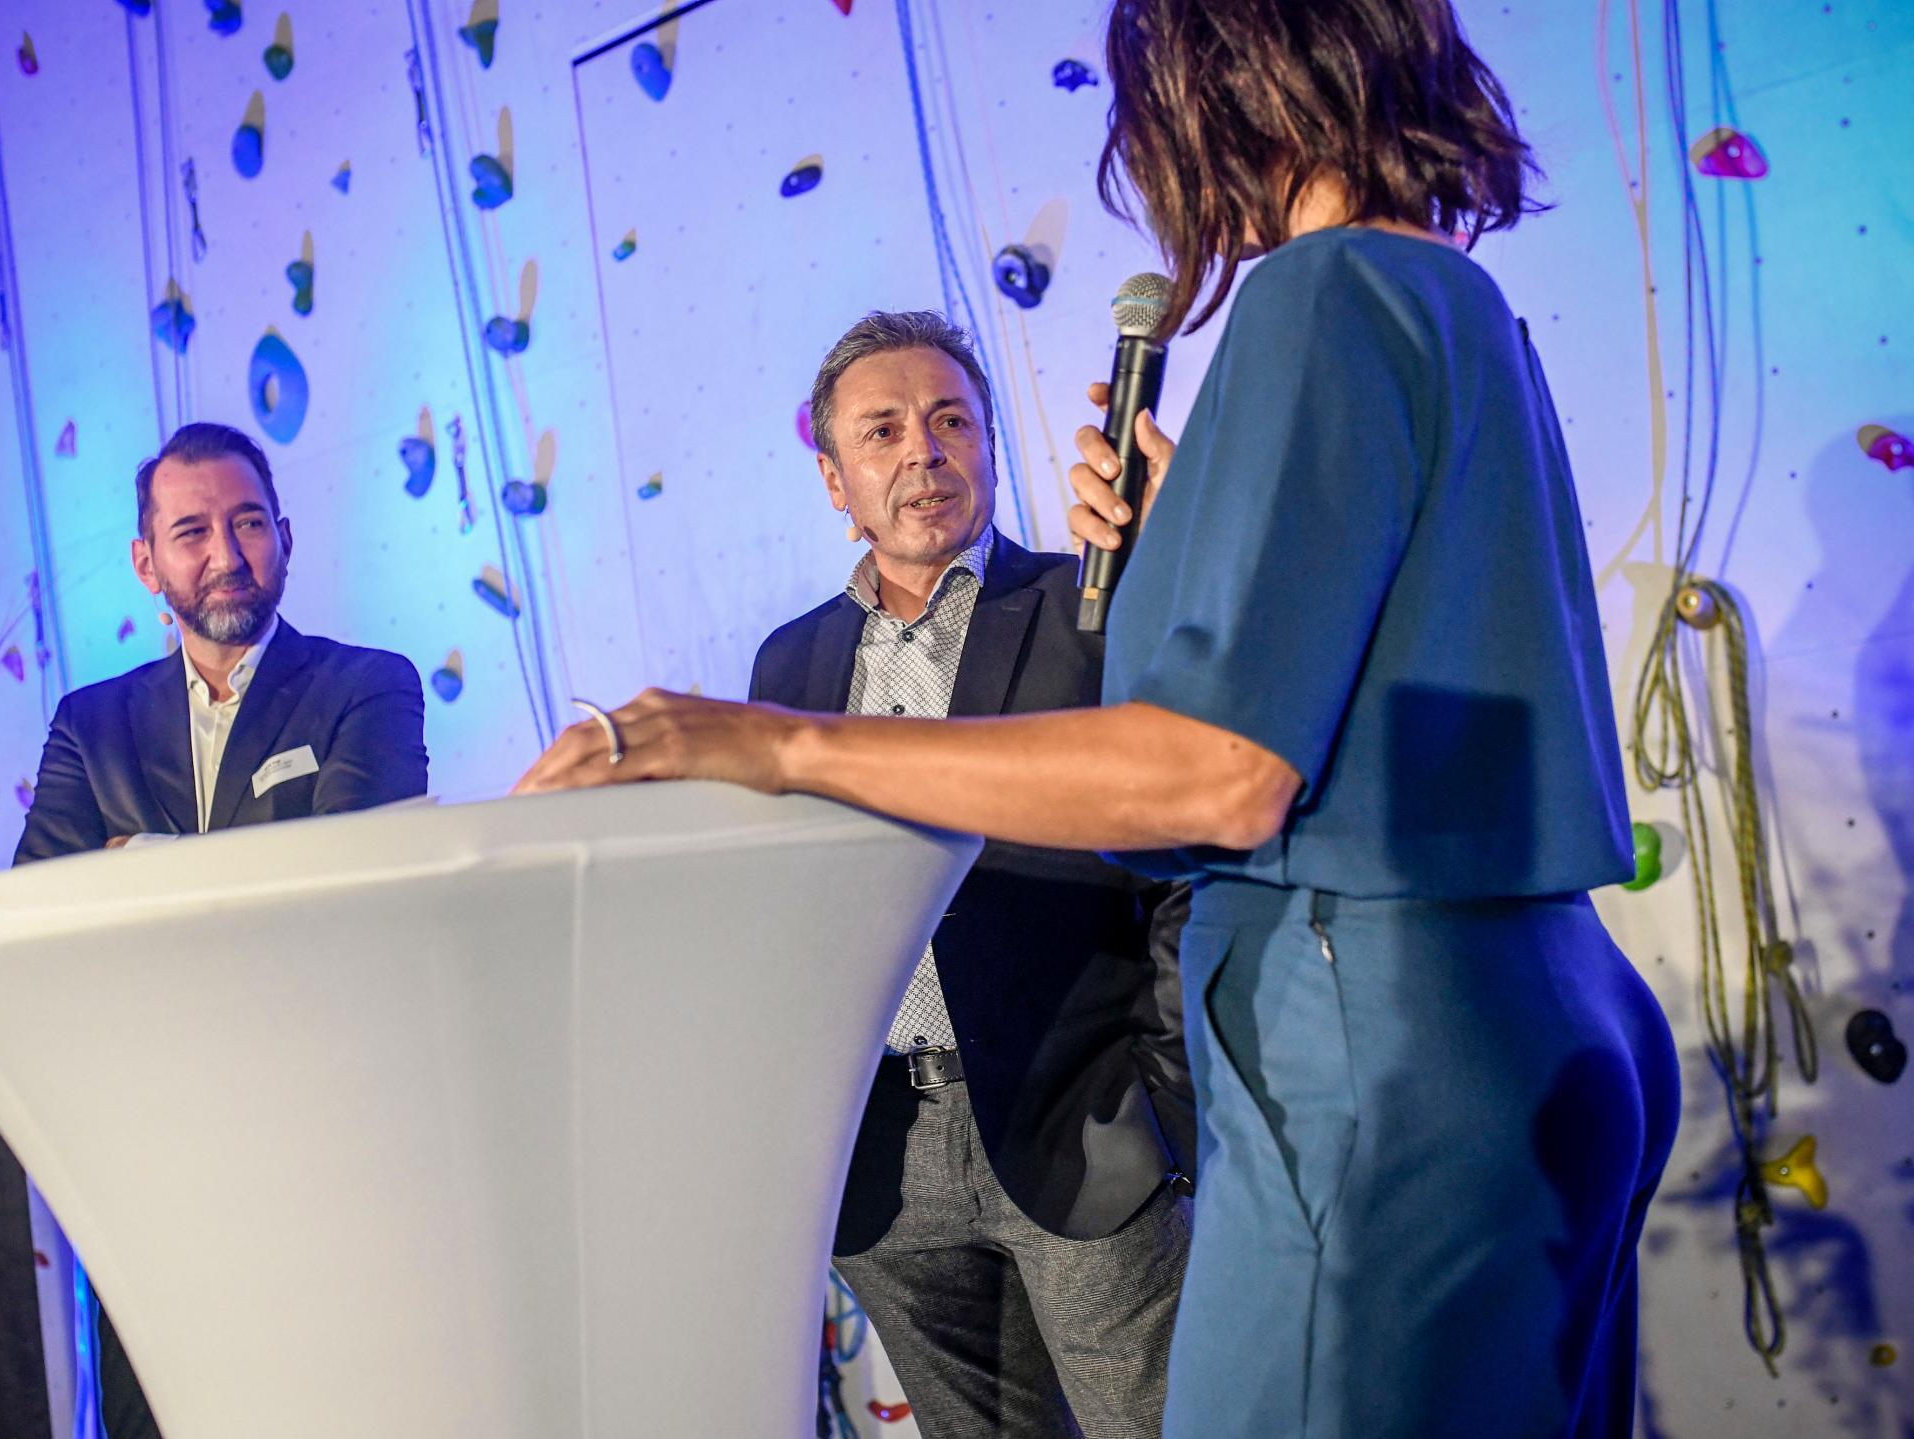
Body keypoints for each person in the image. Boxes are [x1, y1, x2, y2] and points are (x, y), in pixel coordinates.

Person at [512, 0, 1680, 1432]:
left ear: (1218, 86)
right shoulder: (1451, 298)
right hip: (1548, 1010)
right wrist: (1209, 523)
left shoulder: (1320, 293)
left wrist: (775, 742)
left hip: (1372, 1041)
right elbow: (1392, 660)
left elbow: (1217, 772)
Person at [760, 310, 1197, 1436]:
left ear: (992, 446)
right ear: (834, 476)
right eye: (886, 428)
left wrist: (1157, 1087)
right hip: (881, 1163)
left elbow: (1179, 861)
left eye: (953, 419)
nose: (925, 450)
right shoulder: (789, 661)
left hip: (1077, 1128)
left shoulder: (1085, 608)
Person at [14, 420, 428, 1439]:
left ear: (284, 535)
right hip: (148, 1145)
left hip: (330, 1130)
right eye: (192, 530)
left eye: (248, 523)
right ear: (146, 559)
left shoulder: (367, 684)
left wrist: (139, 867)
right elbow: (39, 908)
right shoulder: (88, 721)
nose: (226, 554)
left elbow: (351, 882)